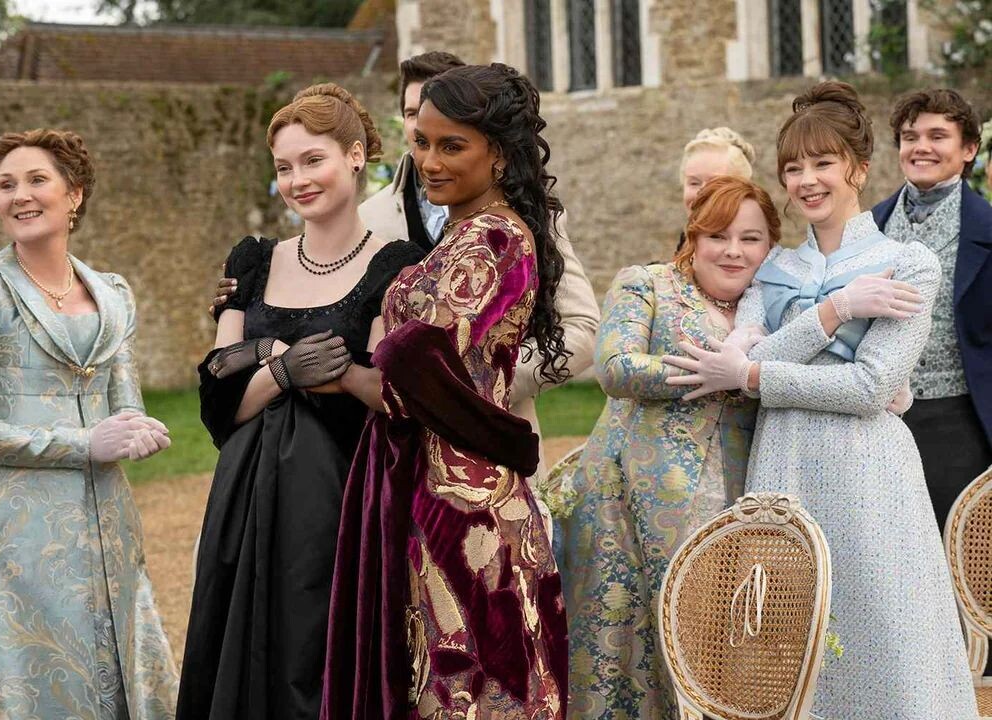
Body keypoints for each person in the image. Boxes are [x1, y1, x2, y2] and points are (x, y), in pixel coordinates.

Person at [662, 81, 976, 719]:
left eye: (823, 163)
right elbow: (748, 357)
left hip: (870, 474)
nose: (806, 180)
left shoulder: (908, 263)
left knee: (883, 635)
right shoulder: (773, 267)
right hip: (784, 469)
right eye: (793, 168)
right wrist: (836, 312)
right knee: (785, 639)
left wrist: (755, 374)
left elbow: (869, 388)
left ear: (858, 167)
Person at [214, 51, 600, 482]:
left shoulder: (505, 229)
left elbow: (580, 330)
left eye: (450, 138)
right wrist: (251, 314)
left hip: (470, 464)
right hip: (382, 465)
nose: (428, 150)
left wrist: (485, 385)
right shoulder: (371, 215)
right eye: (415, 120)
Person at [321, 64, 568, 718]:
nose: (429, 162)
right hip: (431, 485)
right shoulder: (461, 233)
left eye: (452, 145)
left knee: (466, 689)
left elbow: (417, 365)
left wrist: (348, 370)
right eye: (422, 142)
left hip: (465, 506)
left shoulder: (494, 237)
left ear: (500, 152)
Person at [175, 84, 425, 720]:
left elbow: (387, 392)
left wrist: (269, 365)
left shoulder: (398, 263)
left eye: (313, 160)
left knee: (315, 658)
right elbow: (218, 399)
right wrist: (284, 368)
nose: (297, 180)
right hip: (244, 495)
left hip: (339, 494)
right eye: (284, 167)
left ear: (356, 155)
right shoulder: (254, 261)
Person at [0, 129, 178, 719]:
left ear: (74, 193)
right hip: (7, 520)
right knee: (27, 676)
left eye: (37, 180)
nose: (20, 195)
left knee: (113, 655)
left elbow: (125, 403)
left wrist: (139, 429)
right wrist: (87, 442)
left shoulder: (113, 293)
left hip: (104, 516)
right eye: (6, 185)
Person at [561, 177, 777, 719]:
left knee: (721, 644)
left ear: (771, 245)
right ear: (693, 236)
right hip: (626, 503)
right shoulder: (649, 283)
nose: (733, 251)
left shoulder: (775, 305)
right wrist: (713, 374)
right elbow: (615, 367)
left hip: (741, 502)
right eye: (718, 235)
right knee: (623, 648)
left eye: (750, 239)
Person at [870, 88, 992, 531]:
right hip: (879, 424)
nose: (921, 147)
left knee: (958, 552)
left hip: (961, 424)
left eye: (937, 136)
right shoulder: (870, 225)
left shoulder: (988, 228)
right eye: (910, 137)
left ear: (969, 149)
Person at [675, 127, 756, 250]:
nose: (701, 193)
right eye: (694, 183)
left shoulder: (760, 260)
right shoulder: (678, 259)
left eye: (716, 183)